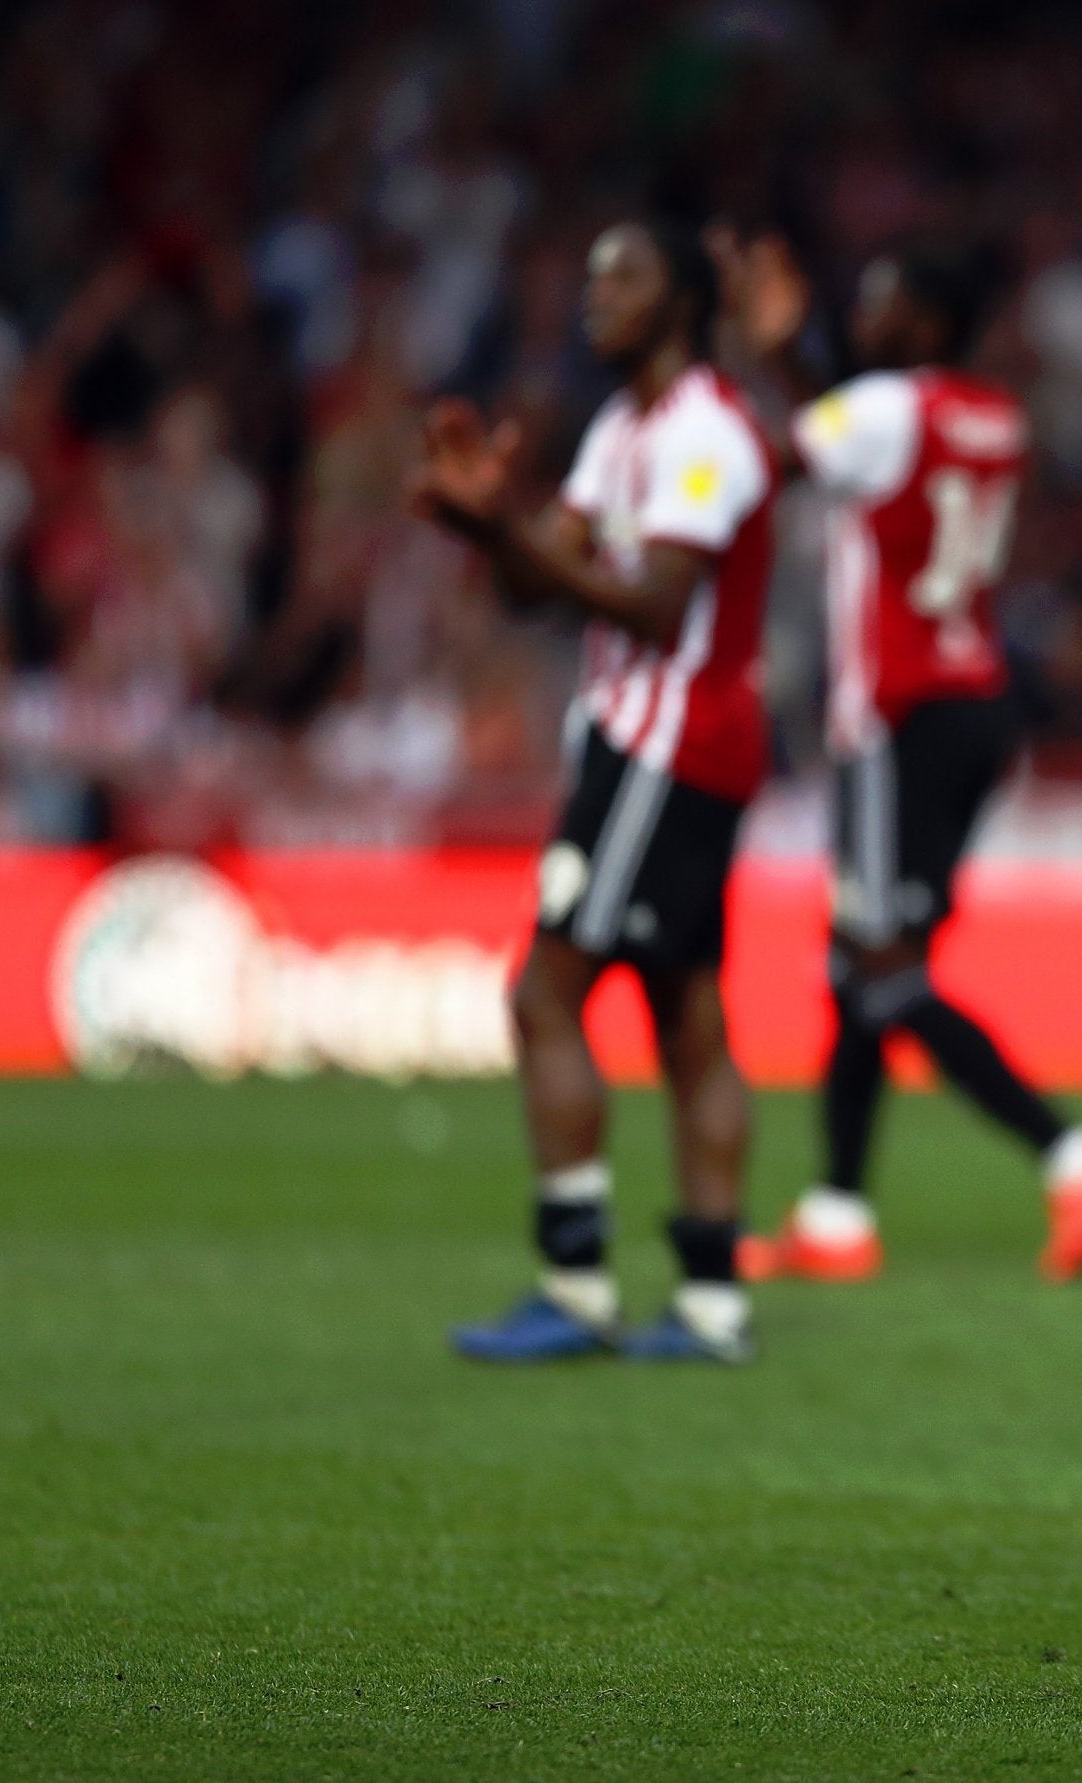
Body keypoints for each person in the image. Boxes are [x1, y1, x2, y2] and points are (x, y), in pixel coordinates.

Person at [715, 235, 1082, 1284]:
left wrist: (770, 360)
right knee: (861, 959)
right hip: (975, 709)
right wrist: (797, 360)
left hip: (893, 719)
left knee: (879, 967)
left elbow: (785, 459)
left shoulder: (875, 412)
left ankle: (1071, 1151)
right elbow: (864, 434)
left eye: (880, 301)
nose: (862, 316)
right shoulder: (992, 413)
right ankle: (835, 1213)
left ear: (919, 321)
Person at [410, 220, 775, 1364]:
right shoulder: (622, 429)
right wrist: (487, 527)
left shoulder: (709, 433)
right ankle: (711, 1300)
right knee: (683, 1013)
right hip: (650, 742)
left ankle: (574, 1283)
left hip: (665, 742)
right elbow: (541, 588)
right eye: (590, 272)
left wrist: (513, 535)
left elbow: (658, 604)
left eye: (624, 274)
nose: (593, 294)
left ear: (683, 302)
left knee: (545, 992)